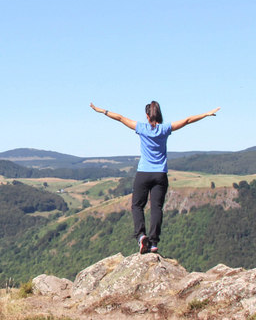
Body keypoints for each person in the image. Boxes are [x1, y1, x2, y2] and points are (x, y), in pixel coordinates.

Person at [90, 101, 220, 254]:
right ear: (159, 114)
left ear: (147, 115)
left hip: (143, 173)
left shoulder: (141, 128)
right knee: (156, 208)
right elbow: (187, 120)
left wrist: (102, 111)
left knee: (137, 206)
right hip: (160, 174)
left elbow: (119, 118)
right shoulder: (164, 129)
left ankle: (141, 236)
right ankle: (153, 243)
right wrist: (205, 114)